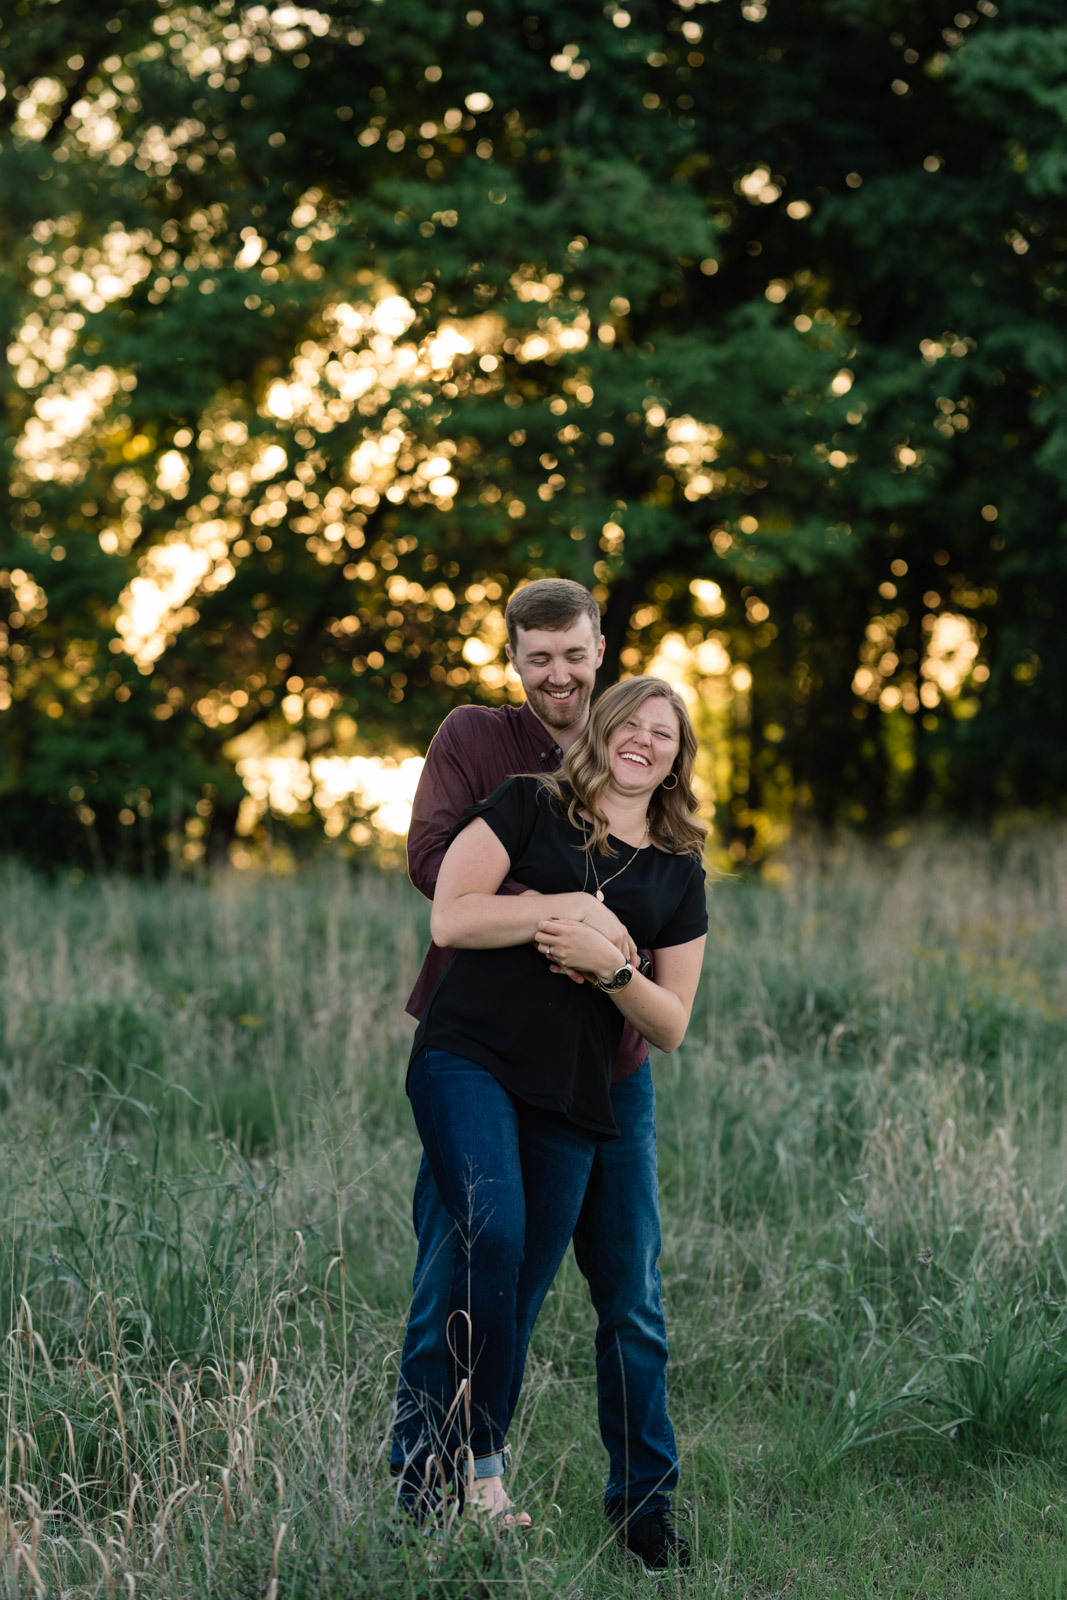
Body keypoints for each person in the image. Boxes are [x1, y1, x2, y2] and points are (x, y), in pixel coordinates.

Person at [391, 579, 705, 1571]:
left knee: (631, 1291)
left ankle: (643, 1509)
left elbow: (670, 999)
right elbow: (436, 865)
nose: (558, 674)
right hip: (481, 1046)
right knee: (474, 1257)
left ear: (599, 649)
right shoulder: (487, 751)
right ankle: (426, 1482)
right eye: (538, 657)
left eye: (574, 654)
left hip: (603, 1068)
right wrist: (571, 907)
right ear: (515, 658)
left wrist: (612, 958)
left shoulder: (648, 797)